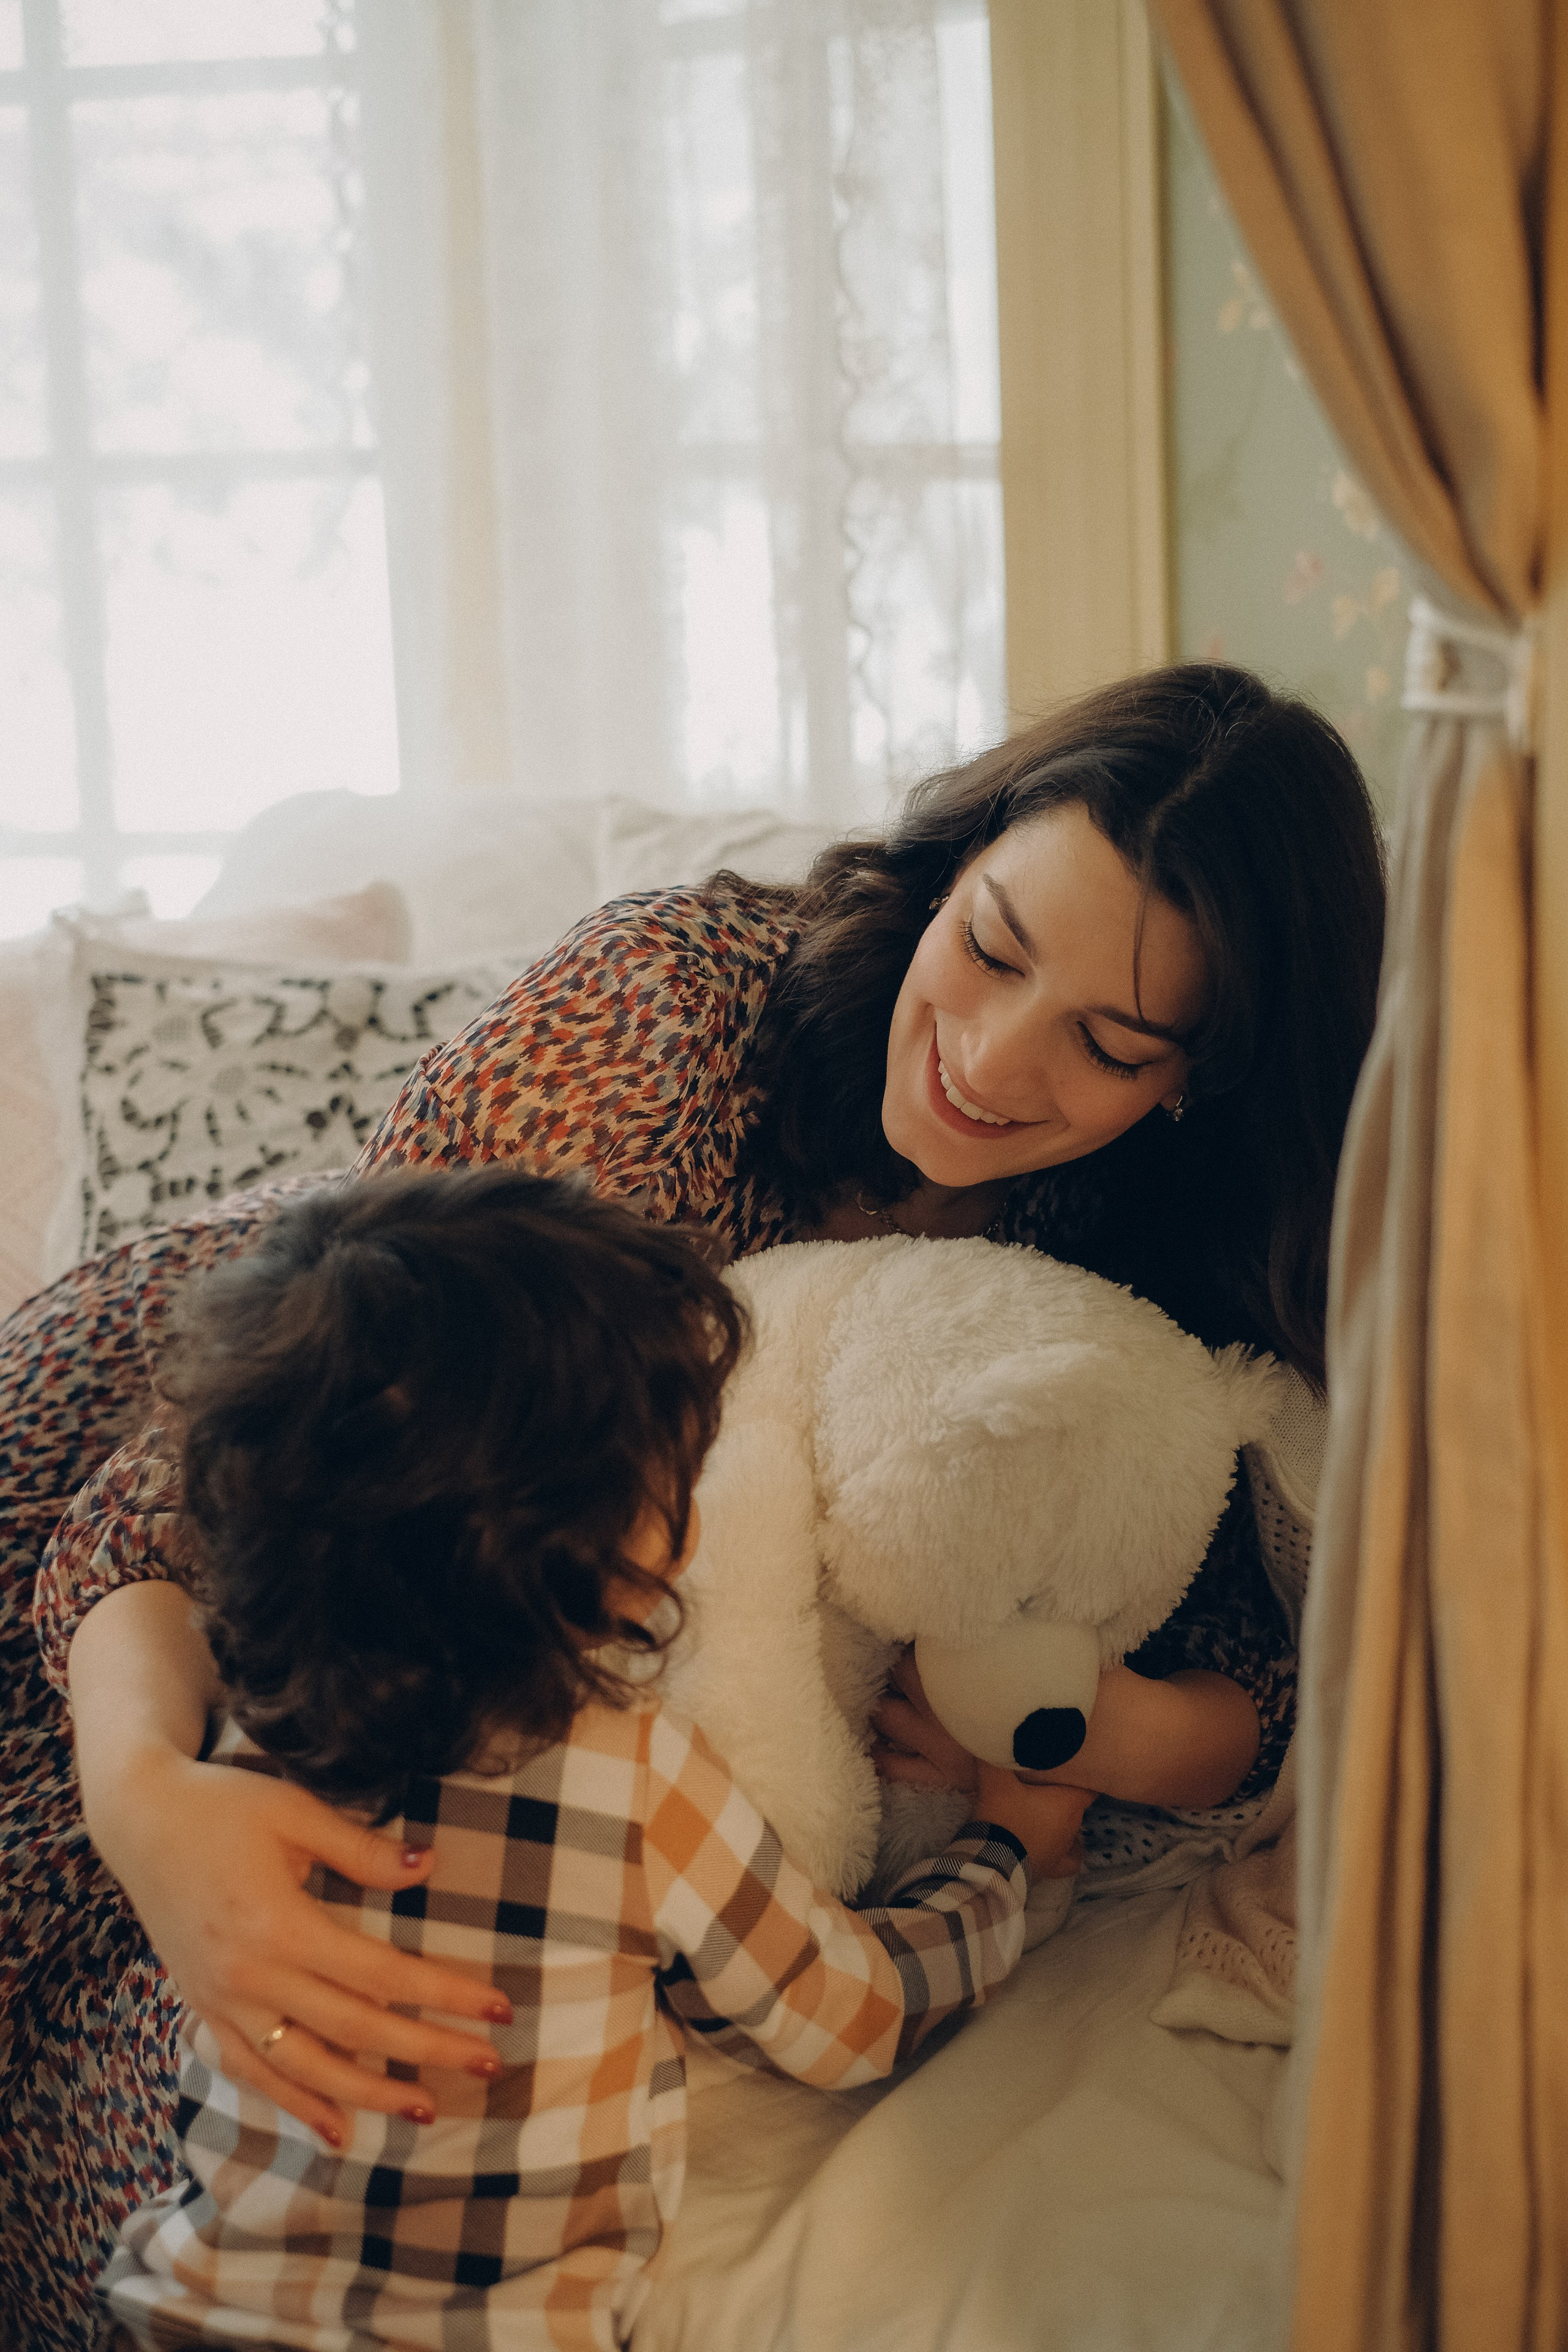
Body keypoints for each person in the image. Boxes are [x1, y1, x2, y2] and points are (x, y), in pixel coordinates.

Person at [2, 663, 1385, 2348]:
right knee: (288, 2088)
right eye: (992, 946)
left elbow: (1249, 1664)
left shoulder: (1154, 1239)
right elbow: (206, 1502)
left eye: (1108, 1043)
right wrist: (150, 1802)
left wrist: (1063, 1729)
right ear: (950, 867)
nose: (992, 1063)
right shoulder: (666, 1018)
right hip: (175, 1557)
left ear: (1197, 1084)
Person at [96, 1168, 1088, 2351]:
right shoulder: (631, 1778)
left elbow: (136, 1609)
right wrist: (1006, 1858)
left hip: (189, 2315)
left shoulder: (239, 1733)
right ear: (602, 1547)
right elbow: (842, 2018)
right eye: (681, 1464)